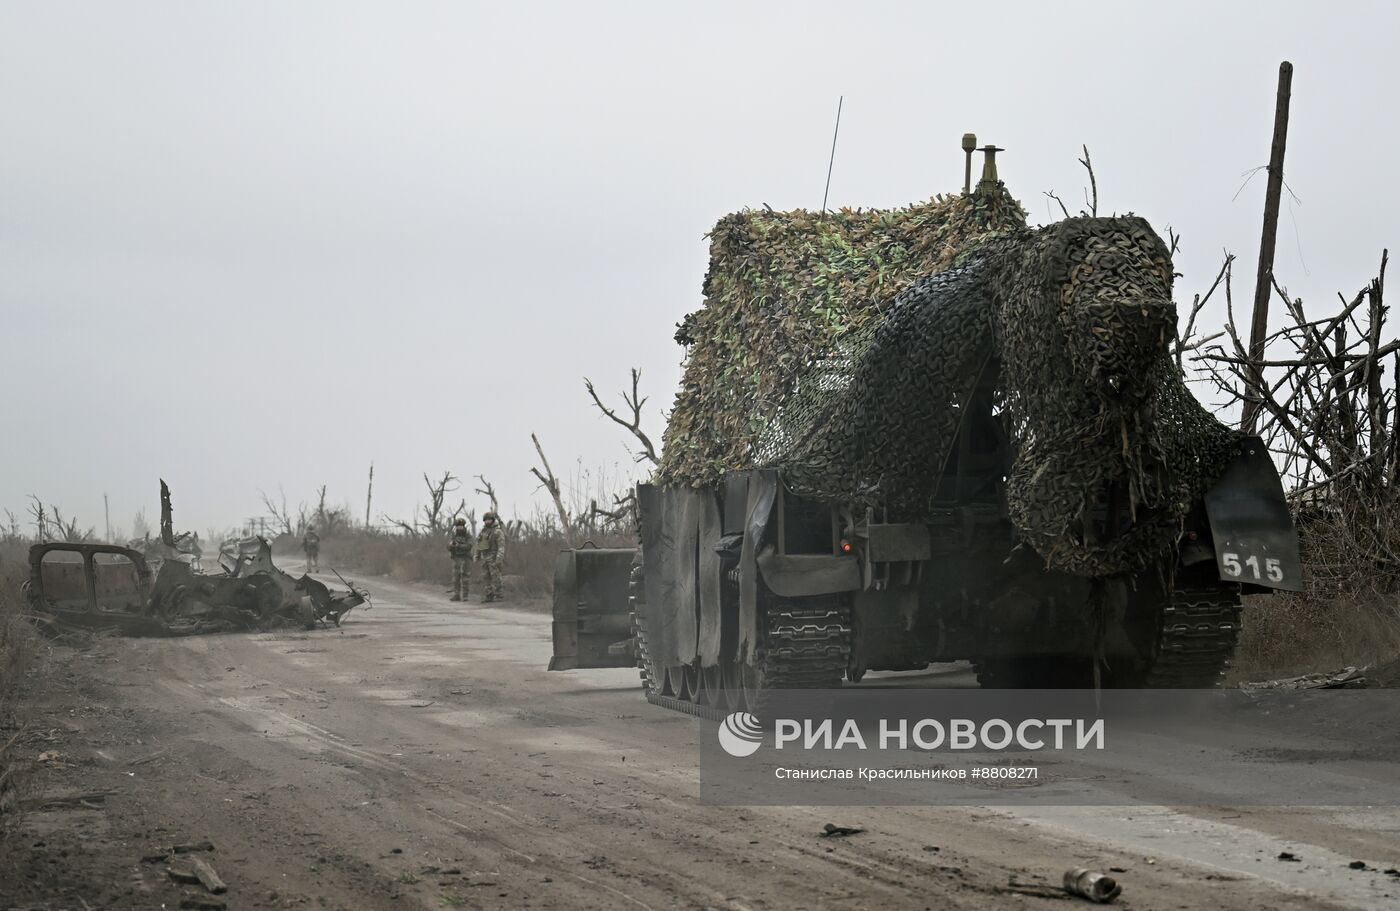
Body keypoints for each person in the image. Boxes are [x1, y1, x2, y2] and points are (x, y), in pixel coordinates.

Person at [476, 511, 506, 602]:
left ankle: (499, 595)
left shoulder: (498, 532)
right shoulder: (482, 532)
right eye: (486, 520)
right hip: (484, 557)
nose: (487, 522)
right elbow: (478, 544)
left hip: (494, 557)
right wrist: (477, 555)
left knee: (496, 577)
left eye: (489, 520)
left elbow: (501, 546)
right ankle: (489, 596)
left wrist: (499, 557)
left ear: (493, 520)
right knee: (486, 577)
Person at [448, 517, 474, 602]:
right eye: (458, 526)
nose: (459, 527)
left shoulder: (468, 535)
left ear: (463, 526)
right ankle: (456, 595)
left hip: (465, 558)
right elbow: (448, 546)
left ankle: (465, 595)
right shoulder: (454, 535)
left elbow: (469, 546)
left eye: (461, 526)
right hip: (456, 558)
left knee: (465, 577)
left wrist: (459, 545)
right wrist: (451, 546)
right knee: (456, 577)